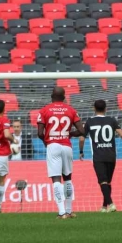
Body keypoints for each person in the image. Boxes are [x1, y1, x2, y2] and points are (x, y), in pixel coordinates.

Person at [79, 99, 122, 212]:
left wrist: (81, 151)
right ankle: (104, 207)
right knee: (107, 182)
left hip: (98, 156)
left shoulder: (89, 121)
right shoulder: (111, 120)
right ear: (105, 109)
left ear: (94, 108)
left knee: (103, 181)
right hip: (111, 155)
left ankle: (111, 203)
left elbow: (81, 138)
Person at [37, 86, 85, 219]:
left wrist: (47, 142)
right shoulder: (71, 110)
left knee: (56, 179)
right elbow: (82, 130)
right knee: (68, 178)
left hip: (53, 145)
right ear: (64, 97)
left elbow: (40, 133)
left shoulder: (44, 110)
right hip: (66, 146)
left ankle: (62, 212)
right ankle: (69, 211)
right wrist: (70, 134)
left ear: (51, 96)